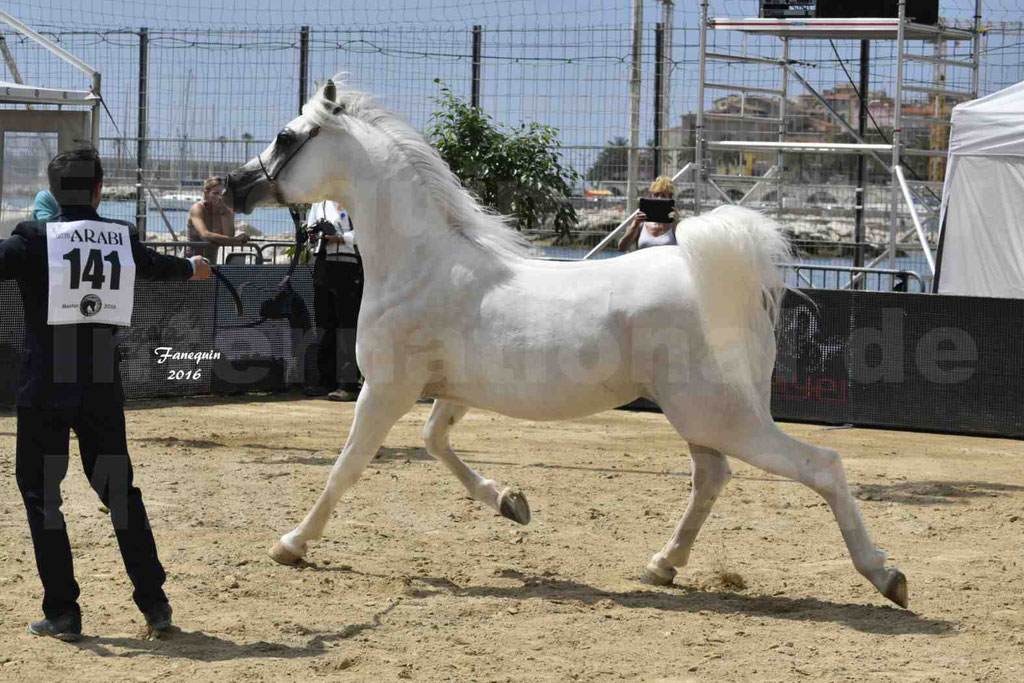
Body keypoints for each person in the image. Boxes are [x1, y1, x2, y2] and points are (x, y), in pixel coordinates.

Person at [0, 147, 212, 641]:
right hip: (99, 384)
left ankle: (64, 613)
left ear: (51, 193)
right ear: (99, 190)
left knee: (42, 497)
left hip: (45, 387)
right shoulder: (121, 237)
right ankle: (155, 604)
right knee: (120, 493)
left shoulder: (32, 238)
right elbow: (161, 265)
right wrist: (196, 268)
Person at [304, 200, 363, 402]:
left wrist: (338, 238)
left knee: (347, 325)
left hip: (350, 266)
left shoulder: (354, 199)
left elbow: (365, 233)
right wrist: (314, 235)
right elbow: (310, 230)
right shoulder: (318, 203)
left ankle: (348, 383)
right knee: (324, 323)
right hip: (323, 265)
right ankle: (325, 380)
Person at [187, 176, 249, 262]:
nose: (219, 197)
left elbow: (229, 235)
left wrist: (224, 212)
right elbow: (205, 235)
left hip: (210, 261)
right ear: (206, 193)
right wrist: (235, 240)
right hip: (191, 259)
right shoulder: (197, 208)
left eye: (222, 194)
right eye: (215, 193)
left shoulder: (226, 210)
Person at [617, 176, 679, 252]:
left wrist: (676, 223)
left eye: (663, 195)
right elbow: (622, 248)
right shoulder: (641, 222)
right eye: (656, 194)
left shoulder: (674, 224)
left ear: (670, 198)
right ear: (651, 196)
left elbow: (684, 250)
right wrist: (635, 224)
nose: (659, 198)